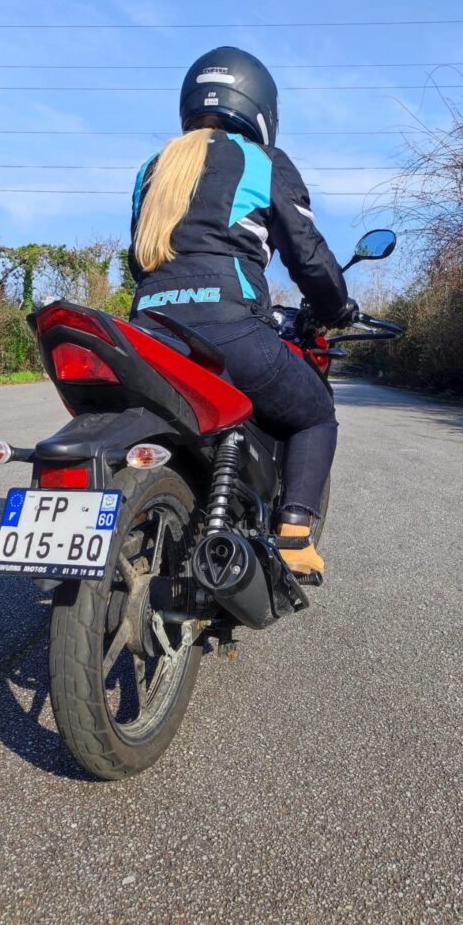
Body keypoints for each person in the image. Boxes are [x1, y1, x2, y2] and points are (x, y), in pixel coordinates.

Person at [128, 46, 355, 577]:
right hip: (230, 329)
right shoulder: (261, 160)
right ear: (261, 107)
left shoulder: (152, 169)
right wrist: (337, 307)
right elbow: (308, 256)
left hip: (149, 332)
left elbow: (141, 260)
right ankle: (294, 536)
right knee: (315, 414)